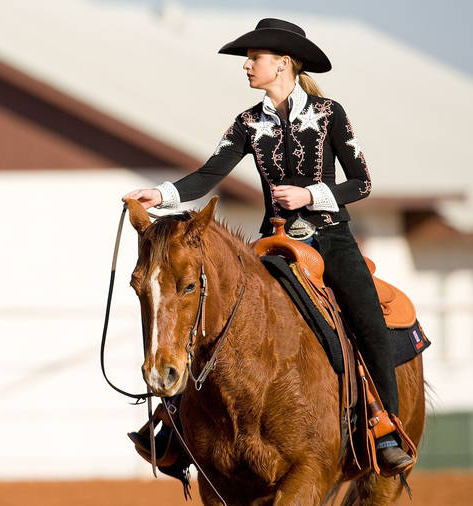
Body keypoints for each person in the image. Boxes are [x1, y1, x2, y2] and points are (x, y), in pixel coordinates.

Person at [122, 18, 414, 475]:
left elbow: (362, 182)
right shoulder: (249, 122)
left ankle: (384, 427)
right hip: (274, 239)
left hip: (331, 236)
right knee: (214, 312)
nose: (246, 66)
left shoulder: (328, 113)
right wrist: (161, 195)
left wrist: (311, 195)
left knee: (368, 319)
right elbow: (208, 174)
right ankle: (176, 424)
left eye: (253, 58)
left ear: (283, 64)